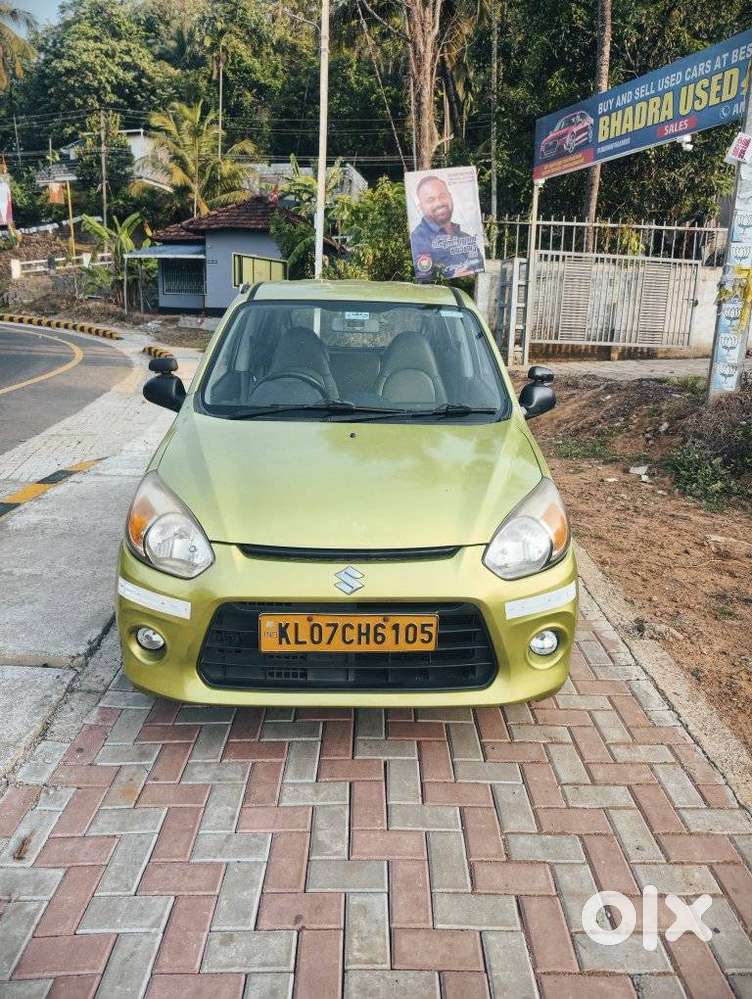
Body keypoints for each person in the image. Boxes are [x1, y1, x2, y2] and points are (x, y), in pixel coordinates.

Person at [409, 175, 484, 282]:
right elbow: (424, 279)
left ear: (450, 197)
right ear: (420, 207)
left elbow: (480, 270)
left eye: (442, 196)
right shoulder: (418, 239)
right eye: (430, 200)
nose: (439, 203)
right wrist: (454, 277)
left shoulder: (466, 237)